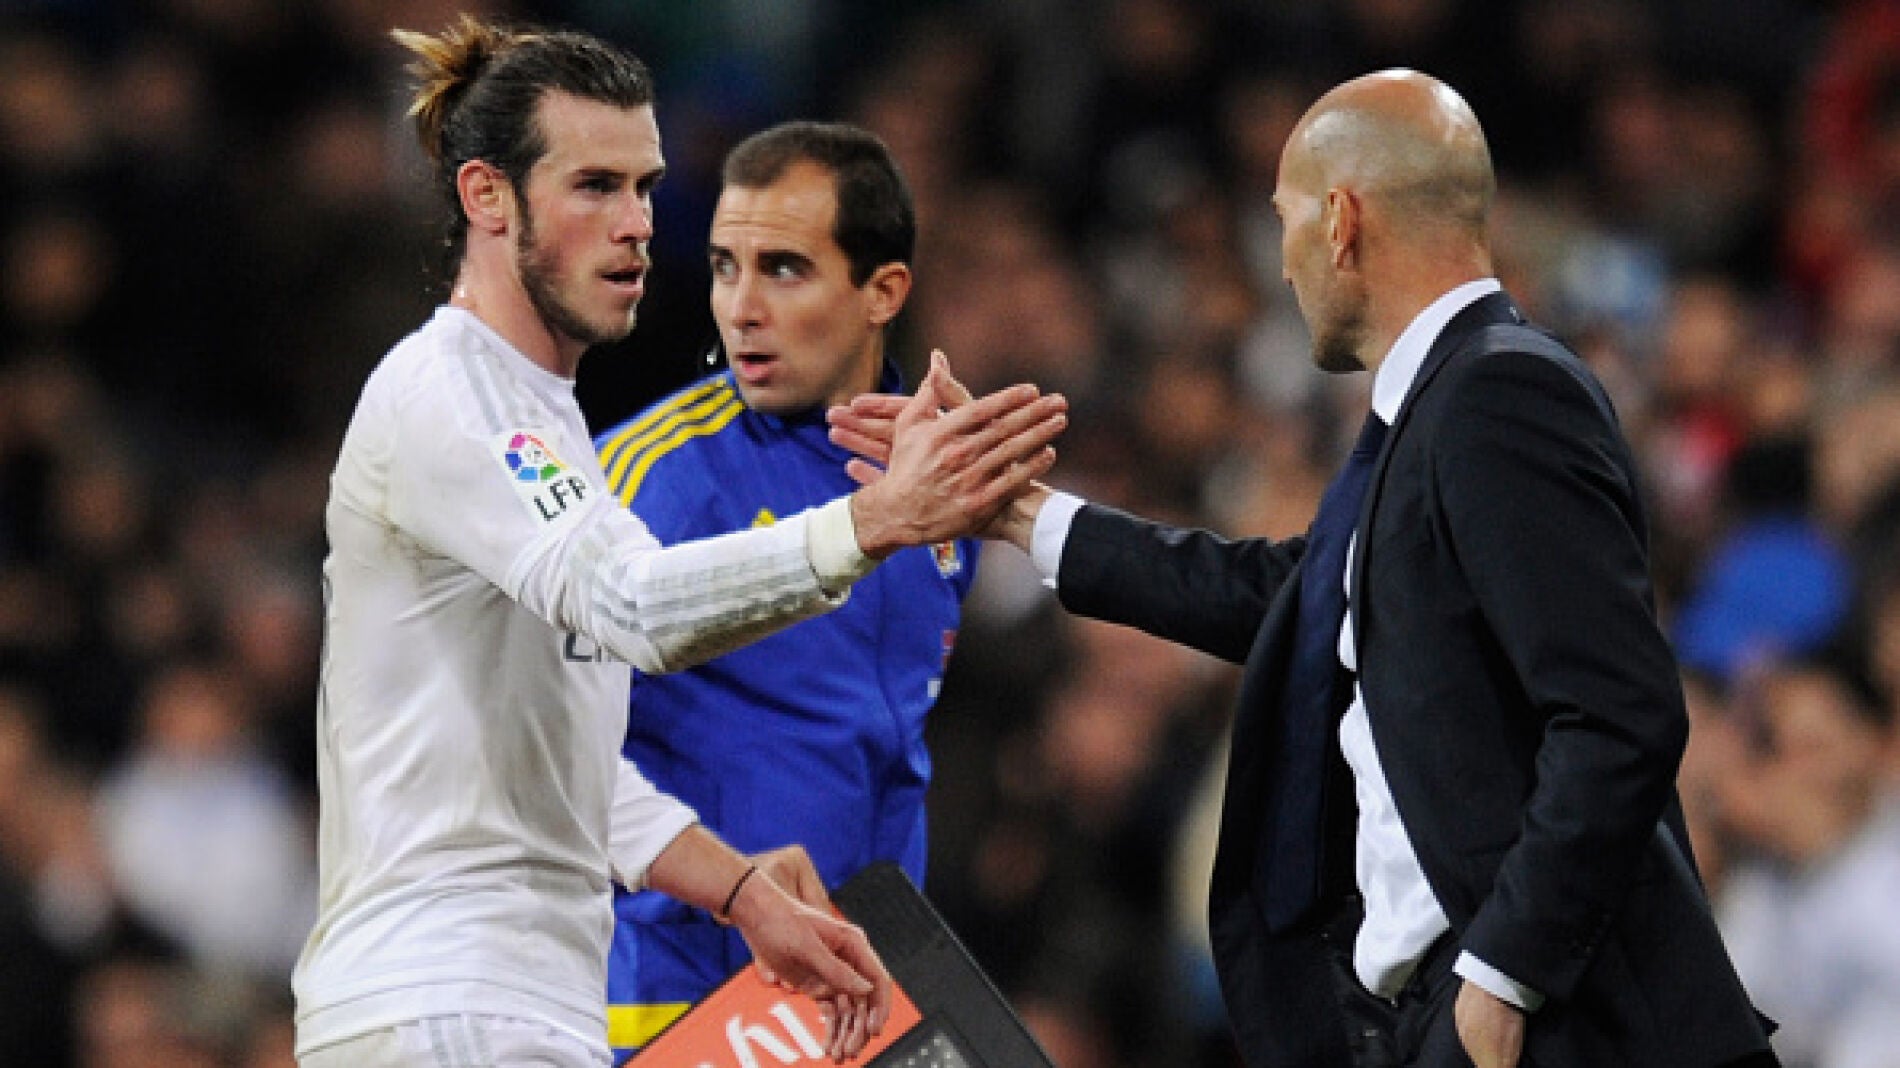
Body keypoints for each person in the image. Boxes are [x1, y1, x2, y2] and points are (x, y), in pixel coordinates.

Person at [833, 69, 1776, 1067]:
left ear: (1339, 221)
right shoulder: (1433, 409)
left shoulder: (1500, 394)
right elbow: (1288, 595)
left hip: (1549, 1027)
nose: (1282, 265)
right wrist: (1016, 514)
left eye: (1283, 221)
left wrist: (1501, 979)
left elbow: (1619, 714)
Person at [291, 17, 1067, 1068]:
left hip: (522, 1007)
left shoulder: (546, 424)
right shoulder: (453, 398)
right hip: (447, 1003)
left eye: (646, 188)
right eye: (593, 186)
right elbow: (635, 608)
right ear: (486, 197)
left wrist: (739, 886)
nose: (635, 226)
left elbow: (560, 760)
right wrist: (875, 522)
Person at [590, 121, 974, 1054]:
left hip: (864, 1000)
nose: (740, 307)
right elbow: (534, 753)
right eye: (726, 266)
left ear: (883, 291)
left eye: (785, 269)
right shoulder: (645, 482)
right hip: (673, 998)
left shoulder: (941, 483)